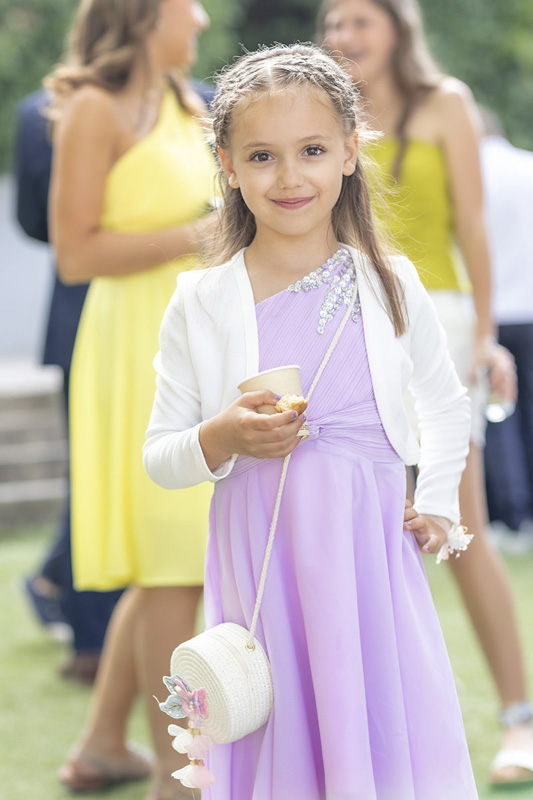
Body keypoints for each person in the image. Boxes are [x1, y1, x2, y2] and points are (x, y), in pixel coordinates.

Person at [143, 43, 478, 800]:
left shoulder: (390, 283)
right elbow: (160, 454)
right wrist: (223, 434)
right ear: (226, 165)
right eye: (261, 155)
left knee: (372, 723)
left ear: (351, 153)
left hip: (365, 548)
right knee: (282, 723)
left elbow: (443, 401)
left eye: (312, 151)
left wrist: (435, 502)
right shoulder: (200, 303)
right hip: (260, 548)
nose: (289, 177)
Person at [318, 0, 533, 785]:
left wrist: (483, 334)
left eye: (358, 23)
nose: (342, 38)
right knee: (350, 526)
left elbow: (471, 227)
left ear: (395, 29)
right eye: (332, 25)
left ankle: (517, 718)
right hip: (340, 325)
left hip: (433, 324)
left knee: (458, 517)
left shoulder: (446, 103)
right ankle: (357, 733)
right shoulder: (319, 109)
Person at [47, 0, 216, 797]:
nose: (206, 18)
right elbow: (75, 254)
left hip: (200, 347)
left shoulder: (191, 100)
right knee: (174, 566)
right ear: (145, 12)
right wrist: (200, 235)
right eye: (191, 3)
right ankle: (178, 780)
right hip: (132, 354)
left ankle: (103, 747)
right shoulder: (94, 108)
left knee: (167, 567)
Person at [15, 86, 123, 685]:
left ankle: (57, 583)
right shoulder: (40, 113)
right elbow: (44, 223)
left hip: (130, 307)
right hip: (84, 310)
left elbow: (35, 220)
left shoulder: (200, 98)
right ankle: (90, 641)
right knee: (92, 473)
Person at [479, 110, 533, 544]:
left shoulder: (469, 176)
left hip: (493, 311)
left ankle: (510, 516)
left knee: (498, 416)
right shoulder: (528, 167)